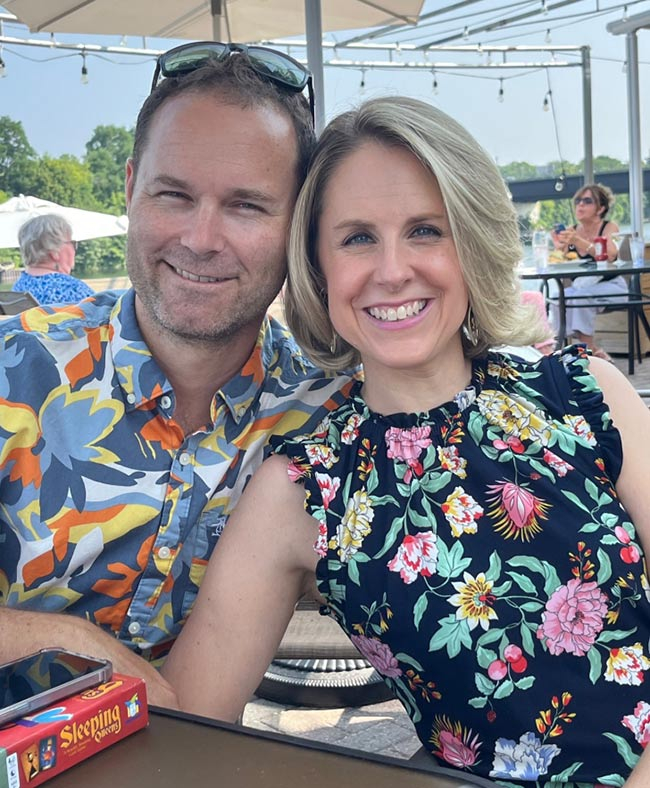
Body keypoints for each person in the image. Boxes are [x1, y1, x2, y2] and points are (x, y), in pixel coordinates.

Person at [163, 97, 650, 787]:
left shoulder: (584, 392)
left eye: (425, 230)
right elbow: (187, 722)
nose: (392, 270)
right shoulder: (306, 488)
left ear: (472, 241)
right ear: (319, 266)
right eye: (357, 238)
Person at [0, 45, 355, 707]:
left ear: (299, 228)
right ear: (132, 188)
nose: (200, 237)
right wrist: (66, 637)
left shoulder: (325, 415)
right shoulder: (16, 369)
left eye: (246, 206)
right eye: (174, 194)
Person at [550, 183, 627, 361]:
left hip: (612, 287)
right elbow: (562, 260)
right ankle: (573, 350)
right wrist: (558, 247)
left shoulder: (609, 227)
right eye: (578, 201)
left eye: (587, 201)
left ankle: (588, 353)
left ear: (600, 208)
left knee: (580, 298)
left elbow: (610, 255)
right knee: (556, 298)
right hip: (581, 288)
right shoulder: (573, 231)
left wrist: (578, 241)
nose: (580, 205)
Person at [12, 213, 94, 305]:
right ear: (54, 250)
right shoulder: (72, 289)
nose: (74, 250)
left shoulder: (18, 288)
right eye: (71, 243)